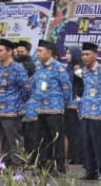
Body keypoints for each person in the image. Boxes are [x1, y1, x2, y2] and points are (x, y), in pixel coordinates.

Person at [27, 39, 71, 175]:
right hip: (40, 108)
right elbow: (34, 86)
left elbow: (66, 88)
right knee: (42, 138)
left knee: (56, 138)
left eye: (40, 51)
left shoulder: (59, 67)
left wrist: (61, 103)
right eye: (37, 51)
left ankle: (59, 166)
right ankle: (44, 164)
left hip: (55, 109)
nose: (38, 54)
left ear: (49, 52)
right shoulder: (38, 67)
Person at [74, 43, 101, 180]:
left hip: (99, 113)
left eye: (88, 54)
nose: (84, 57)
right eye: (83, 54)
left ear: (95, 55)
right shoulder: (84, 72)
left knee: (100, 143)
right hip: (86, 111)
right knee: (87, 142)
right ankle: (90, 170)